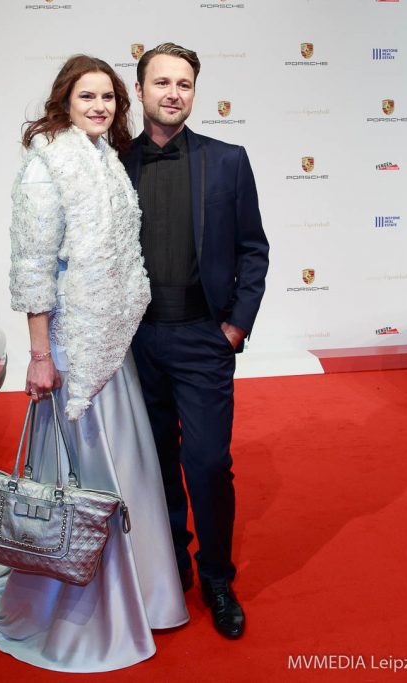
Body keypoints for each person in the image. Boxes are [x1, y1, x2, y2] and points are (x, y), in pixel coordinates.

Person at [0, 55, 189, 672]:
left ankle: (141, 596)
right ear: (65, 101)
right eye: (88, 96)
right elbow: (33, 268)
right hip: (67, 345)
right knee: (85, 474)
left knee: (126, 467)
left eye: (109, 98)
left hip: (110, 342)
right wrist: (38, 356)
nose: (100, 107)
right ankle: (79, 611)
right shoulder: (47, 164)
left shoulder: (105, 159)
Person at [121, 43, 269, 640]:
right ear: (140, 90)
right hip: (135, 343)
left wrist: (235, 326)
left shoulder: (227, 160)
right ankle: (170, 565)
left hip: (203, 338)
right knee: (154, 462)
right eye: (162, 82)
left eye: (184, 84)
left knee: (207, 463)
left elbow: (253, 249)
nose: (173, 93)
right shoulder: (112, 164)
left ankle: (216, 577)